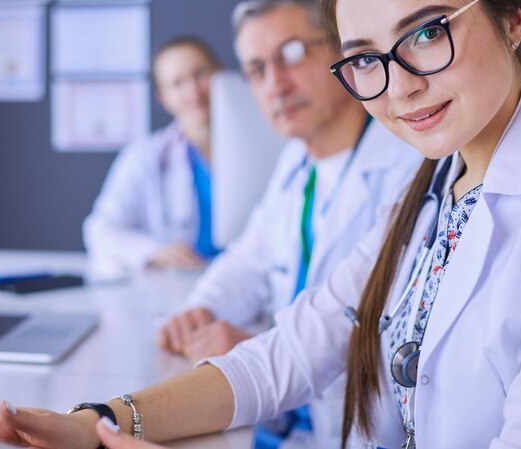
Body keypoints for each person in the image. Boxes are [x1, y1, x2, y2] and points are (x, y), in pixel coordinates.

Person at [0, 1, 521, 449]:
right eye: (366, 59)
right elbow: (293, 349)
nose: (401, 84)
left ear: (512, 18)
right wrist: (99, 421)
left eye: (428, 32)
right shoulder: (434, 184)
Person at [158, 1, 421, 447]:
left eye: (294, 53)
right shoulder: (297, 161)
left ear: (344, 53)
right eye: (257, 69)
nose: (275, 85)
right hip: (285, 421)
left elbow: (399, 346)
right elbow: (247, 259)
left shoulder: (409, 163)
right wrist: (199, 311)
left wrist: (254, 343)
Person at [82, 37, 222, 279]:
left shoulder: (264, 145)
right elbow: (99, 231)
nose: (193, 91)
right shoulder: (144, 156)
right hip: (182, 285)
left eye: (200, 74)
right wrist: (154, 251)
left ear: (221, 74)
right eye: (177, 83)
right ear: (163, 97)